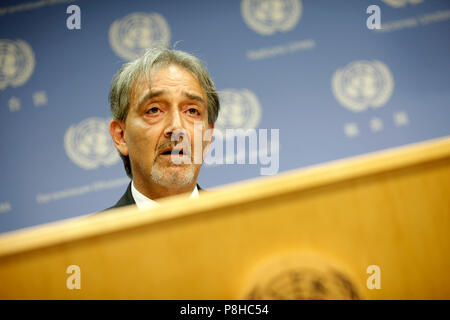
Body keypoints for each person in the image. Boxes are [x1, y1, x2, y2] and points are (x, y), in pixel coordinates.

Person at [106, 47, 220, 210]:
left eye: (192, 111)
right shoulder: (92, 235)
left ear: (208, 137)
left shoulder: (246, 224)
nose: (177, 127)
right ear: (121, 136)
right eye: (154, 110)